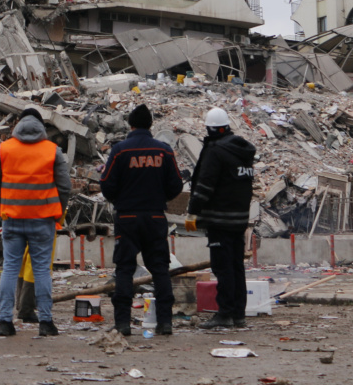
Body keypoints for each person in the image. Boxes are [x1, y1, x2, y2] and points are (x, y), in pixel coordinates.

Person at [99, 104, 183, 336]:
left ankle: (123, 323)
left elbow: (106, 185)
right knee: (159, 269)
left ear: (130, 125)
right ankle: (165, 323)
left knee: (125, 269)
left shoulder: (120, 151)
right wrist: (159, 198)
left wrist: (121, 200)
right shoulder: (163, 151)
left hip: (126, 217)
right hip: (155, 217)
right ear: (150, 125)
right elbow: (176, 184)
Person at [0, 106, 71, 337]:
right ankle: (45, 322)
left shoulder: (5, 149)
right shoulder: (52, 150)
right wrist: (57, 212)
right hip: (43, 221)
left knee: (10, 269)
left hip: (12, 220)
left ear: (18, 124)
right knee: (42, 270)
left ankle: (5, 322)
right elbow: (65, 187)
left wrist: (1, 209)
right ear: (41, 126)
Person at [187, 107, 256, 329]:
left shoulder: (216, 151)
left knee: (223, 268)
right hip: (239, 220)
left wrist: (193, 211)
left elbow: (205, 184)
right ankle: (238, 315)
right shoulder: (242, 152)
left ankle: (224, 314)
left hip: (219, 221)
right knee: (236, 267)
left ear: (210, 129)